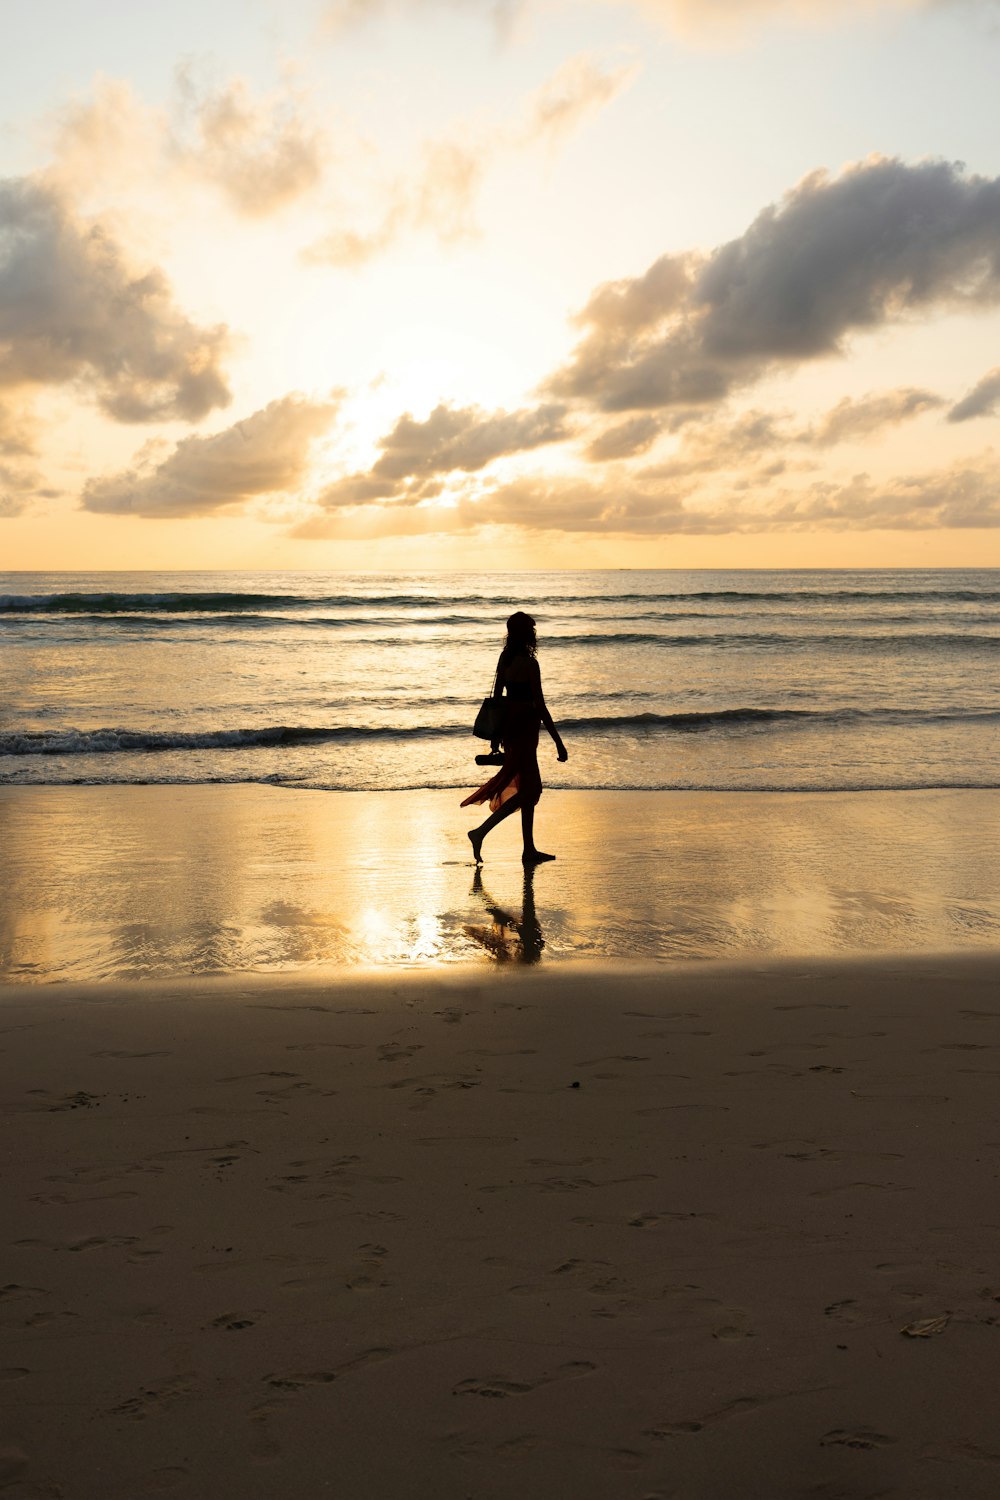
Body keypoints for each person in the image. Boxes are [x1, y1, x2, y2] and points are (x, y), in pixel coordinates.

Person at [461, 611, 567, 864]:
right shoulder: (530, 664)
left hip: (510, 726)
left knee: (526, 787)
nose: (534, 634)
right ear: (526, 634)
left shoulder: (505, 659)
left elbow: (498, 699)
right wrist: (558, 741)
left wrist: (496, 737)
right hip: (526, 727)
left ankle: (529, 850)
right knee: (532, 789)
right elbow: (540, 705)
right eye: (531, 630)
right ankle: (480, 832)